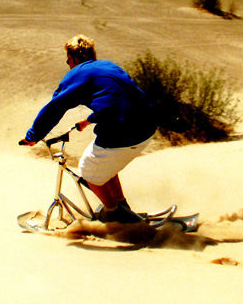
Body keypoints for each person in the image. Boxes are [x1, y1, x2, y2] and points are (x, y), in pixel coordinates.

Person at [19, 35, 156, 223]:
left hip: (124, 132)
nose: (68, 64)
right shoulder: (108, 66)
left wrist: (33, 135)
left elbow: (55, 107)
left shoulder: (78, 73)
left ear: (74, 57)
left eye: (68, 60)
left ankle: (114, 214)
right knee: (104, 165)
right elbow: (118, 98)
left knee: (89, 169)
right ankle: (122, 207)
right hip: (147, 125)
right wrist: (89, 120)